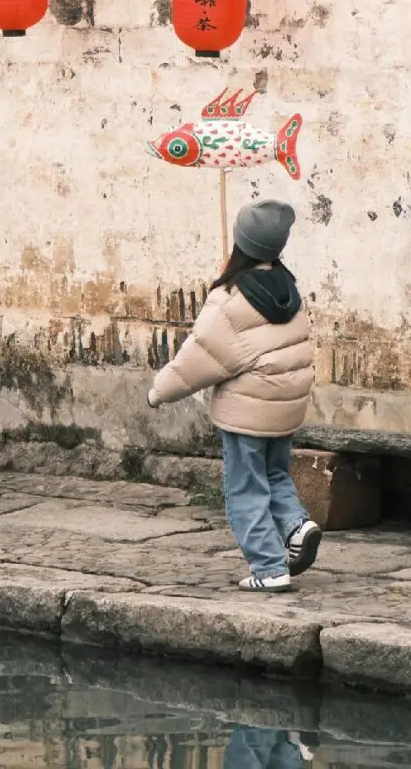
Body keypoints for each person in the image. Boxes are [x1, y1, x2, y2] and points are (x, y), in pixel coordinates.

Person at [146, 200, 320, 592]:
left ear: (241, 244)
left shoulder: (231, 298)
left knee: (245, 487)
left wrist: (158, 392)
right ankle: (297, 525)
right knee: (275, 474)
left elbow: (198, 358)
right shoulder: (288, 289)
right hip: (285, 406)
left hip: (247, 411)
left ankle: (270, 567)